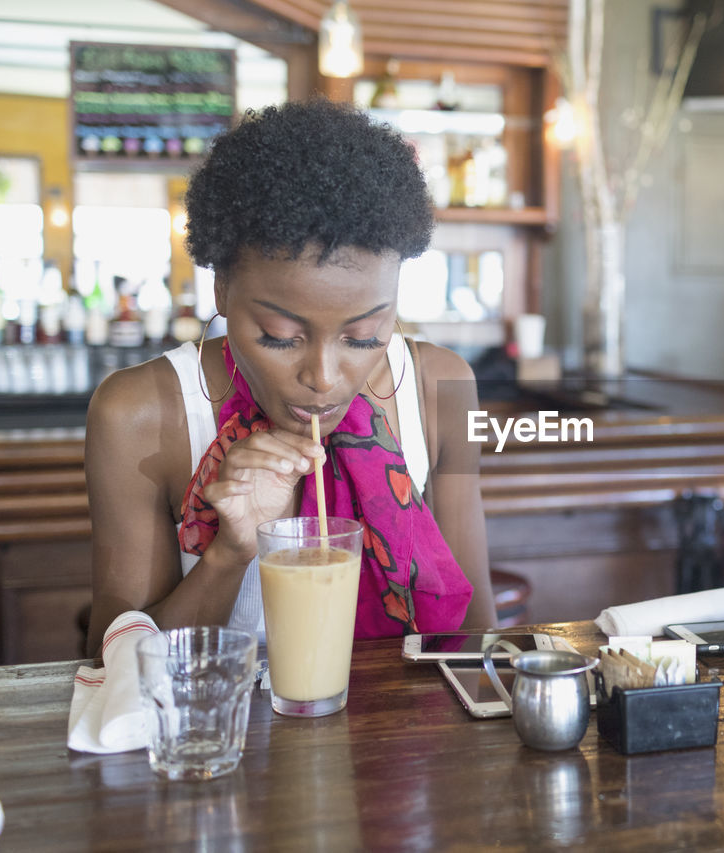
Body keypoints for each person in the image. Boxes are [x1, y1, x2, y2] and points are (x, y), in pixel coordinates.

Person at [85, 100, 495, 655]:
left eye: (365, 335)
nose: (323, 378)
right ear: (222, 288)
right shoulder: (138, 414)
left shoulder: (443, 388)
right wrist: (230, 552)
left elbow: (476, 632)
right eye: (280, 335)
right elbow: (115, 666)